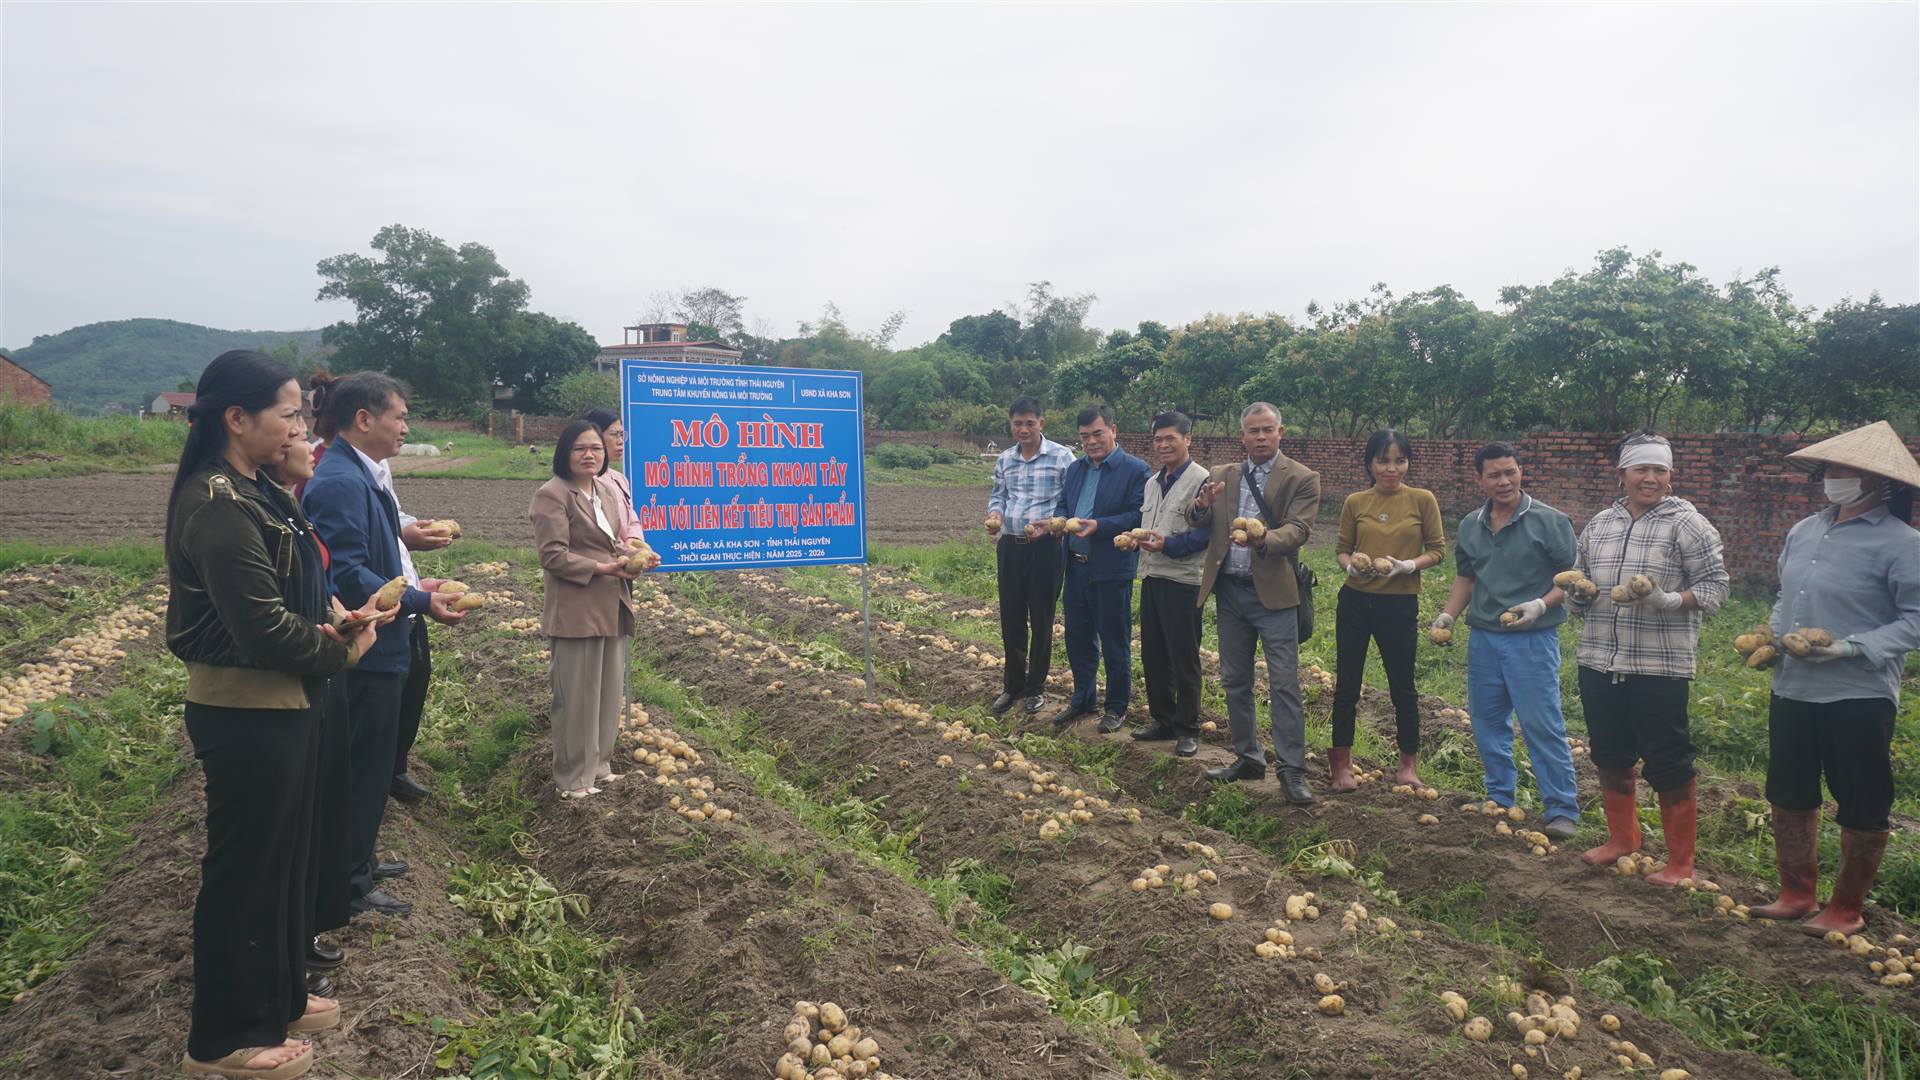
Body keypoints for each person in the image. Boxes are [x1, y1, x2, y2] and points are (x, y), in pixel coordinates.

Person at [167, 350, 376, 1080]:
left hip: (287, 701)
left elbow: (300, 586)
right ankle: (224, 1039)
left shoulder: (258, 490)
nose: (298, 427)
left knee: (285, 866)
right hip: (247, 710)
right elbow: (264, 630)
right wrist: (341, 648)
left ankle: (280, 995)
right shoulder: (217, 504)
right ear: (236, 417)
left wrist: (335, 619)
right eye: (288, 413)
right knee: (247, 873)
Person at [302, 374, 467, 920]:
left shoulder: (362, 473)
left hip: (387, 637)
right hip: (370, 649)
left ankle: (361, 861)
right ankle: (348, 883)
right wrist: (419, 600)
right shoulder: (340, 482)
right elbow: (348, 575)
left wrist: (419, 592)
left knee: (372, 765)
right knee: (361, 766)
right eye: (399, 416)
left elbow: (376, 556)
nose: (405, 426)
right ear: (364, 420)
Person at [1751, 421, 1920, 934]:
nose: (1835, 478)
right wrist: (1771, 637)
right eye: (1831, 469)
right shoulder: (1805, 530)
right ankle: (1796, 894)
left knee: (1861, 796)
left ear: (1878, 482)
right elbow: (1787, 598)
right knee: (1789, 789)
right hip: (1794, 687)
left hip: (1858, 693)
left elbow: (1914, 618)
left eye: (1848, 471)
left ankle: (1846, 908)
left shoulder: (1902, 542)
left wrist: (1851, 647)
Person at [1569, 433, 1730, 885]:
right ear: (1622, 474)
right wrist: (1577, 596)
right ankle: (1623, 839)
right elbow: (1580, 582)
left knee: (1668, 760)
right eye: (1642, 469)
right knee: (1610, 755)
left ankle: (1681, 863)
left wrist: (1668, 600)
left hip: (1659, 664)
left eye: (1660, 471)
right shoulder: (1600, 524)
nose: (1651, 479)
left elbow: (1717, 589)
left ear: (1671, 476)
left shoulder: (1689, 525)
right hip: (1600, 657)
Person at [1430, 442, 1581, 840]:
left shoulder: (1550, 521)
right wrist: (1449, 614)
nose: (1504, 481)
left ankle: (1561, 807)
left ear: (1521, 472)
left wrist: (1540, 605)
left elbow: (1570, 579)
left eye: (1510, 472)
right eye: (1494, 475)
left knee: (1540, 722)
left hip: (1531, 639)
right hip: (1484, 638)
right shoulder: (1469, 525)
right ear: (1479, 479)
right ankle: (1500, 796)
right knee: (1487, 722)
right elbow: (1467, 577)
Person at [1188, 402, 1320, 805]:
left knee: (1283, 683)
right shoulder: (1222, 475)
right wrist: (1201, 506)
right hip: (1230, 592)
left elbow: (1298, 530)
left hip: (1275, 596)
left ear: (1281, 433)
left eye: (1267, 430)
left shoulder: (1302, 477)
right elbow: (1196, 521)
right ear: (1241, 436)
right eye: (1252, 431)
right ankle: (1248, 758)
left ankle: (1292, 769)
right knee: (1235, 680)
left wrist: (1264, 539)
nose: (1260, 437)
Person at [530, 420, 646, 797]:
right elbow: (553, 556)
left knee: (607, 692)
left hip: (611, 602)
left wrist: (637, 556)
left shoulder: (605, 492)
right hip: (576, 607)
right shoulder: (553, 494)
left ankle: (599, 766)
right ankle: (572, 778)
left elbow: (615, 542)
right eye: (580, 448)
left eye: (595, 448)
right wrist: (603, 568)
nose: (590, 454)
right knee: (576, 695)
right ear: (564, 452)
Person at [1330, 430, 1447, 791]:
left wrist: (1408, 566)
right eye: (1383, 460)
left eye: (1399, 460)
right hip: (1354, 602)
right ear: (1370, 463)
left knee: (1403, 686)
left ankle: (1408, 764)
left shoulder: (1422, 500)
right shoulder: (1355, 501)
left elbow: (1438, 550)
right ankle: (1341, 765)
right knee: (1347, 684)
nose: (1391, 468)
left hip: (1399, 603)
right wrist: (1349, 566)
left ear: (1408, 463)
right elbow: (1342, 550)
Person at [1043, 405, 1149, 731]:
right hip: (1075, 567)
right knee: (1078, 637)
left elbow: (1138, 515)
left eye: (1097, 434)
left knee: (1114, 640)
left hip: (1110, 569)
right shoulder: (1076, 470)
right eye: (1084, 436)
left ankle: (1116, 707)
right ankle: (1083, 699)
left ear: (1113, 431)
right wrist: (1060, 522)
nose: (1091, 441)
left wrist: (1099, 526)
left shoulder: (1136, 470)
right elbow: (1064, 503)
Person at [983, 398, 1076, 717]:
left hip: (1045, 548)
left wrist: (1052, 527)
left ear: (1042, 423)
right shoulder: (1005, 459)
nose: (1023, 429)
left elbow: (1070, 501)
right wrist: (994, 513)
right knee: (1011, 617)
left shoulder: (1062, 456)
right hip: (1010, 545)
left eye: (1029, 423)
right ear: (1010, 424)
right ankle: (1012, 686)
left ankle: (1036, 688)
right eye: (1017, 423)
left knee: (1041, 618)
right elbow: (999, 495)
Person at [1130, 410, 1211, 757]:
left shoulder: (1202, 481)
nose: (1163, 445)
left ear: (1187, 439)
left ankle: (1187, 727)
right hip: (1151, 575)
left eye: (1170, 439)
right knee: (1154, 653)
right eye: (1158, 439)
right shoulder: (1152, 482)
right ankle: (1162, 719)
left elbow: (1206, 534)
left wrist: (1169, 545)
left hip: (1183, 580)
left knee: (1183, 655)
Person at [582, 408, 646, 536]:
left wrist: (635, 541)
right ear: (595, 436)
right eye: (614, 434)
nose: (620, 441)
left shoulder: (620, 479)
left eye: (622, 435)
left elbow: (632, 520)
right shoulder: (584, 482)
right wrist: (624, 550)